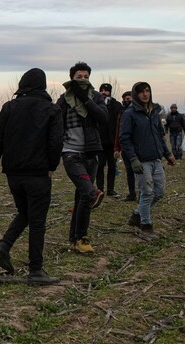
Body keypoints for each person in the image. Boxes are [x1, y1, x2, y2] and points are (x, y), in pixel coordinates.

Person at [0, 68, 64, 285]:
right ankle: (36, 270)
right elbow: (56, 142)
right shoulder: (51, 109)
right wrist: (52, 165)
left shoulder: (9, 107)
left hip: (13, 173)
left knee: (25, 212)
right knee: (37, 221)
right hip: (38, 174)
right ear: (43, 85)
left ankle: (4, 245)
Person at [57, 62, 108, 254]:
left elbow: (103, 118)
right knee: (88, 193)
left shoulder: (95, 97)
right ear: (72, 78)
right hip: (70, 153)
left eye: (86, 76)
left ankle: (75, 239)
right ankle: (82, 236)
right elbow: (55, 125)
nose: (83, 80)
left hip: (91, 153)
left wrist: (86, 101)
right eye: (79, 77)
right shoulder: (63, 100)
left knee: (81, 198)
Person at [120, 82, 176, 240]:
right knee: (147, 193)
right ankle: (146, 227)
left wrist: (167, 154)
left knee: (159, 192)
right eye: (141, 92)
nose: (145, 94)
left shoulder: (154, 112)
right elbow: (125, 138)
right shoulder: (130, 113)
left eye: (147, 91)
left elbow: (159, 135)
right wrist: (133, 159)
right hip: (141, 160)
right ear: (136, 94)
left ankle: (138, 213)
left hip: (156, 158)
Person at [96, 83, 122, 198]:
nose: (103, 92)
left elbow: (120, 123)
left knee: (112, 166)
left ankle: (110, 189)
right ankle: (100, 189)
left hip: (112, 142)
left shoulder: (117, 105)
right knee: (99, 166)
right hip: (100, 141)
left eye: (106, 90)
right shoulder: (96, 104)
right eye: (101, 90)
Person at [114, 91, 137, 201]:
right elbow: (119, 131)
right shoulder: (122, 113)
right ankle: (132, 194)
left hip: (138, 147)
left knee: (140, 172)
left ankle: (143, 193)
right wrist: (117, 148)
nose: (127, 101)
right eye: (125, 99)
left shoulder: (139, 111)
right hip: (126, 148)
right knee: (129, 172)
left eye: (129, 99)